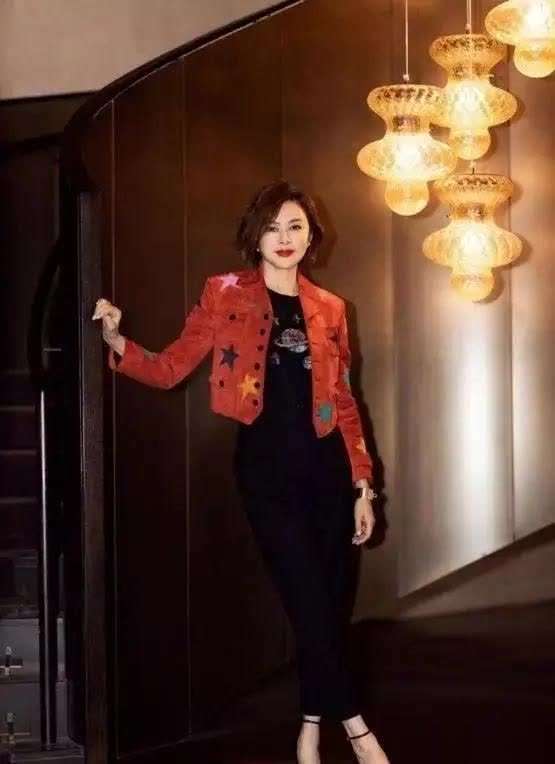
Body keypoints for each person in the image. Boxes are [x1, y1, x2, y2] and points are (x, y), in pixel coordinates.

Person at [92, 180, 389, 764]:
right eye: (273, 227)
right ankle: (357, 727)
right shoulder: (225, 293)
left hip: (330, 473)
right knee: (306, 598)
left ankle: (309, 725)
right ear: (255, 236)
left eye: (296, 226)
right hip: (266, 473)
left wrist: (363, 487)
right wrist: (115, 340)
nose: (284, 238)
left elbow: (346, 402)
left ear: (312, 237)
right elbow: (171, 367)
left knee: (328, 607)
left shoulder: (332, 309)